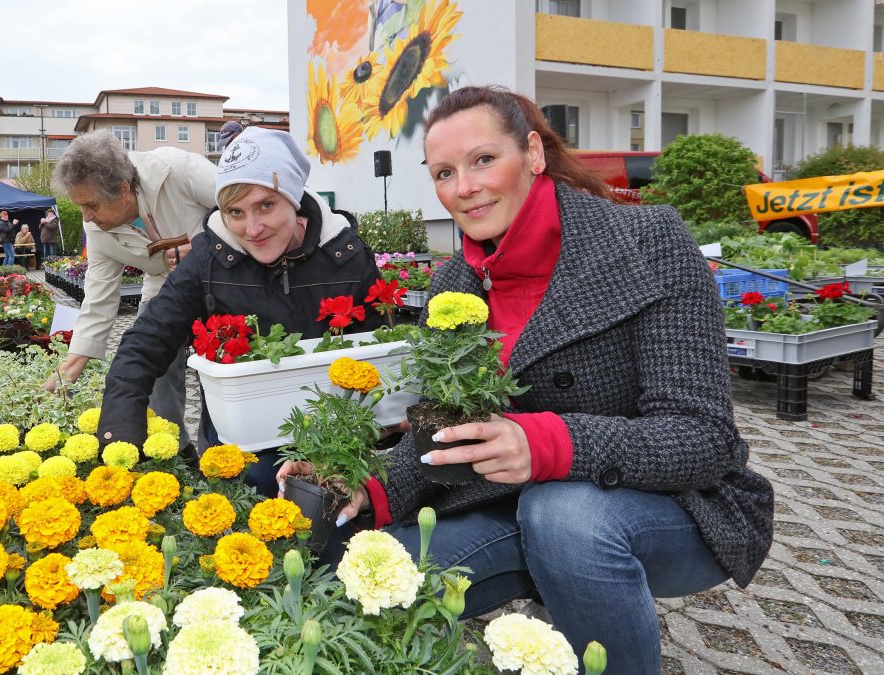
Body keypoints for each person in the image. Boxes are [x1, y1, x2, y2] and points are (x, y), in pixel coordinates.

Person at [278, 85, 775, 673]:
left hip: (674, 504)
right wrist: (368, 486)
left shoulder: (648, 243)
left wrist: (543, 445)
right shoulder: (454, 286)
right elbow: (446, 431)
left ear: (534, 154)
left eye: (484, 159)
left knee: (564, 516)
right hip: (507, 503)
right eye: (443, 172)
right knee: (375, 576)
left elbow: (703, 438)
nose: (464, 188)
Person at [95, 126, 383, 497]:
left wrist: (380, 425)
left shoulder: (345, 255)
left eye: (266, 205)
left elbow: (378, 351)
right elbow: (146, 341)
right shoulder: (208, 259)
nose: (252, 228)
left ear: (293, 198)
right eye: (235, 211)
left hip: (331, 442)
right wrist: (119, 433)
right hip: (240, 443)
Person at [46, 129, 219, 453]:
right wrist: (72, 364)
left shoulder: (178, 170)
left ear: (123, 190)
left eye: (91, 205)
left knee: (219, 365)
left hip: (225, 278)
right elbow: (99, 295)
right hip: (163, 285)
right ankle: (172, 450)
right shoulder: (95, 226)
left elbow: (240, 206)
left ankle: (220, 447)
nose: (86, 217)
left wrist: (200, 247)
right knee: (153, 360)